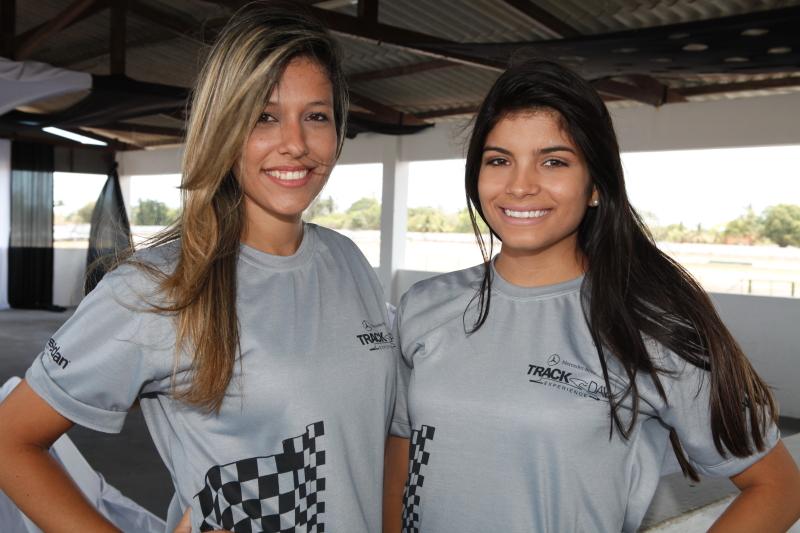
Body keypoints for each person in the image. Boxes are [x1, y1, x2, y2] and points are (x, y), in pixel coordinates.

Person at [0, 3, 398, 532]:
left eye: (316, 116)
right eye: (264, 116)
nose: (296, 144)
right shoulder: (156, 287)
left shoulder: (346, 258)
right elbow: (11, 441)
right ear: (224, 127)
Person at [384, 59, 800, 532]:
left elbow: (778, 487)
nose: (520, 185)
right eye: (499, 160)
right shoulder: (425, 306)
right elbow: (400, 458)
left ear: (596, 186)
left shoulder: (648, 323)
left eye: (554, 162)